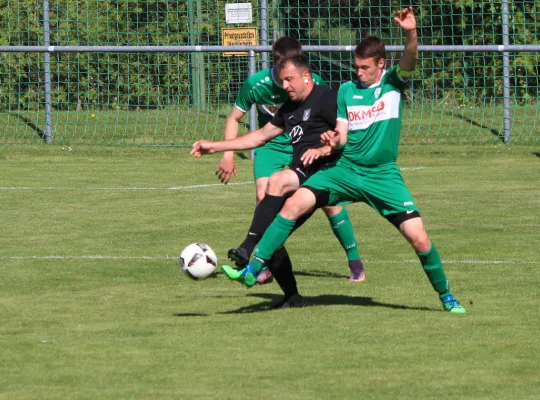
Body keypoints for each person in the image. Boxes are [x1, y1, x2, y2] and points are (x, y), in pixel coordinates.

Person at [222, 7, 467, 313]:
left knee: (419, 238)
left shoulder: (392, 83)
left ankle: (446, 295)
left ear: (381, 64)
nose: (359, 73)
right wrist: (329, 144)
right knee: (293, 203)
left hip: (382, 175)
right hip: (345, 170)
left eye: (365, 68)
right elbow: (341, 134)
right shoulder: (347, 91)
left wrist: (410, 32)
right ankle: (253, 268)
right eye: (356, 67)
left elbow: (411, 59)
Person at [191, 54, 357, 308]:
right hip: (305, 175)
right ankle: (292, 297)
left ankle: (248, 249)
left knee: (277, 182)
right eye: (282, 81)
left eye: (289, 79)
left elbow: (348, 133)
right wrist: (215, 146)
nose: (285, 86)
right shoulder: (289, 109)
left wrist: (329, 145)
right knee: (270, 225)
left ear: (306, 76)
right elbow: (259, 137)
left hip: (328, 175)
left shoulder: (328, 97)